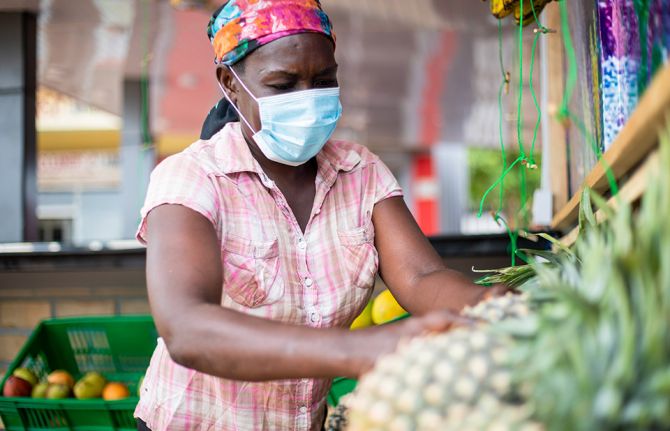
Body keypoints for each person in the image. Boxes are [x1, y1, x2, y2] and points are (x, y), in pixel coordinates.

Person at [134, 1, 505, 429]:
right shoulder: (192, 178)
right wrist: (360, 350)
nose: (306, 100)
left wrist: (489, 308)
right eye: (283, 84)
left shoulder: (361, 173)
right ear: (230, 84)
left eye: (323, 80)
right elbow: (187, 327)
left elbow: (422, 279)